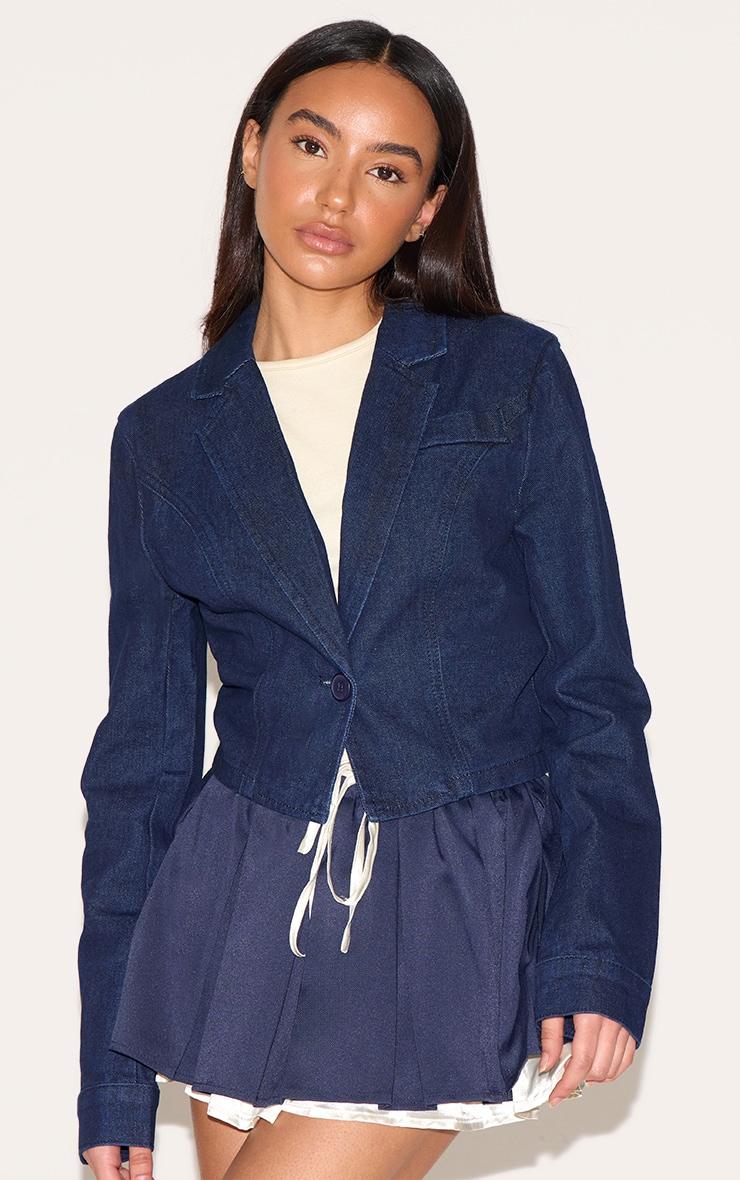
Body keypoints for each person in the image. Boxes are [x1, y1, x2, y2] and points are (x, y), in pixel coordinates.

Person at [76, 18, 662, 1180]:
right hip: (237, 913)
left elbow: (591, 686)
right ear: (253, 151)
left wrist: (594, 947)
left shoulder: (507, 378)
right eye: (311, 145)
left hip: (453, 894)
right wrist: (110, 1076)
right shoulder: (164, 438)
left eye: (386, 170)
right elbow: (140, 763)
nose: (337, 194)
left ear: (426, 210)